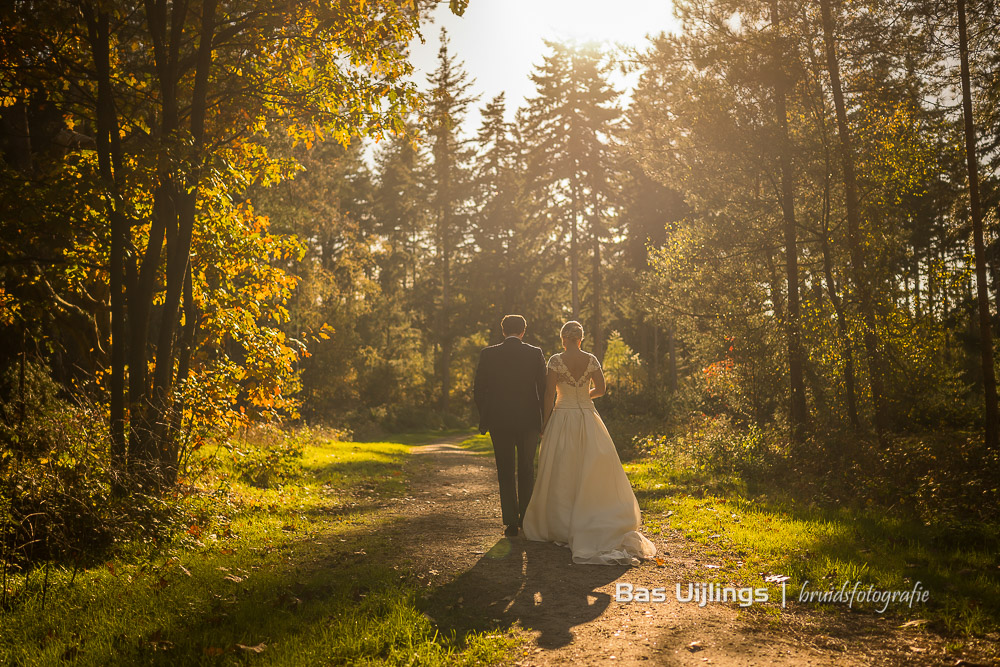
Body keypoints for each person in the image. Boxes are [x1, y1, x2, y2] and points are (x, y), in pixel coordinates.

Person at [522, 320, 657, 565]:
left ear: (564, 338)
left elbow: (549, 394)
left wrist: (545, 422)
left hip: (562, 416)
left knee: (562, 469)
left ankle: (560, 524)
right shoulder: (592, 359)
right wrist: (585, 396)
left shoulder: (555, 360)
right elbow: (602, 389)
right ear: (580, 338)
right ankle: (591, 517)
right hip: (587, 415)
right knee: (590, 467)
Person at [473, 314, 547, 537]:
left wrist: (486, 413)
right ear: (523, 331)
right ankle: (526, 518)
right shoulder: (535, 353)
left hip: (499, 420)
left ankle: (510, 523)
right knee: (526, 468)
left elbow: (478, 389)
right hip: (529, 421)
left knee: (504, 470)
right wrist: (544, 419)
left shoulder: (488, 354)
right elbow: (543, 389)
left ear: (503, 331)